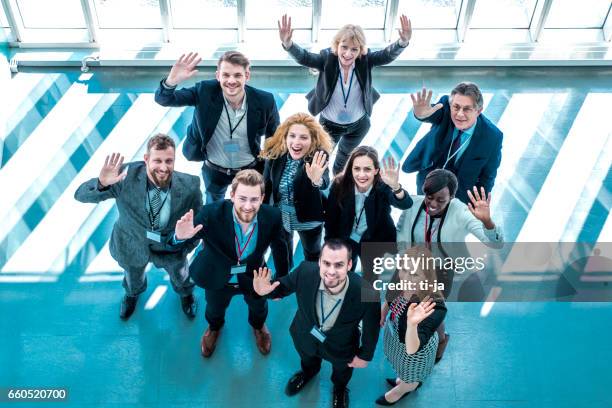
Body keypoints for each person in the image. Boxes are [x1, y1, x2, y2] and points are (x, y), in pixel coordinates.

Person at [74, 134, 201, 320]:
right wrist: (101, 184)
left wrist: (179, 242)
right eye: (157, 160)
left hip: (170, 249)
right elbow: (80, 196)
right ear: (146, 159)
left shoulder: (190, 185)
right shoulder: (123, 176)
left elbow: (196, 226)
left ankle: (186, 295)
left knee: (181, 277)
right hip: (130, 243)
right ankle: (132, 295)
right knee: (133, 279)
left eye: (169, 161)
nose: (164, 167)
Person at [172, 170, 289, 358]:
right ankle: (214, 328)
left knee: (258, 306)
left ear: (262, 198)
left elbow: (280, 249)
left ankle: (258, 327)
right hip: (217, 274)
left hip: (254, 275)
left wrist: (281, 284)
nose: (248, 206)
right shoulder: (211, 214)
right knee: (214, 307)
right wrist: (179, 237)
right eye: (242, 198)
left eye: (254, 199)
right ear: (232, 195)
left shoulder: (273, 216)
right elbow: (181, 243)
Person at [253, 239, 380, 408]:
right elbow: (280, 288)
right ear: (319, 261)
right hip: (304, 335)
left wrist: (365, 356)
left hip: (341, 346)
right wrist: (264, 292)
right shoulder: (304, 271)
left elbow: (372, 329)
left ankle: (340, 388)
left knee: (342, 372)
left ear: (349, 265)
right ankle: (308, 372)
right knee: (307, 360)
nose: (331, 271)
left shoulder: (368, 293)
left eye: (339, 265)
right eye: (326, 263)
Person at [394, 169, 504, 364]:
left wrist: (487, 221)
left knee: (433, 312)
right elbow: (401, 235)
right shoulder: (412, 205)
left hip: (440, 271)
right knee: (410, 307)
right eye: (430, 197)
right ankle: (410, 342)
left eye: (441, 200)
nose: (433, 204)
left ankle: (441, 341)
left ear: (452, 197)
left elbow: (496, 243)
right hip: (412, 267)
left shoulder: (460, 212)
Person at [278, 14, 412, 174]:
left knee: (344, 157)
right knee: (320, 159)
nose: (348, 54)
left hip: (358, 125)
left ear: (360, 50)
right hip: (329, 125)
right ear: (337, 45)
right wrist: (288, 43)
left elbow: (386, 55)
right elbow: (305, 58)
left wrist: (402, 42)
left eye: (354, 49)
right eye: (344, 47)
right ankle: (320, 186)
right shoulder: (327, 58)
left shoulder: (365, 60)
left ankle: (337, 183)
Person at [154, 50, 280, 204]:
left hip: (250, 169)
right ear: (218, 76)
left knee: (254, 208)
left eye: (237, 75)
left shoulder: (264, 100)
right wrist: (171, 82)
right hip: (214, 169)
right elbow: (164, 99)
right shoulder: (204, 92)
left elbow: (275, 139)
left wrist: (272, 172)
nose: (231, 80)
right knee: (213, 208)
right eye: (226, 75)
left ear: (247, 76)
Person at [402, 83, 503, 204]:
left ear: (478, 111)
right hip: (428, 185)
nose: (459, 114)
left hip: (459, 198)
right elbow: (431, 114)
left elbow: (487, 177)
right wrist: (421, 114)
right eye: (456, 107)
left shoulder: (492, 137)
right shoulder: (445, 106)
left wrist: (478, 206)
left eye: (467, 109)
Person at [325, 146, 412, 281]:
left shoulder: (383, 187)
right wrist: (330, 245)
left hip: (373, 240)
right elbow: (331, 219)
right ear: (351, 169)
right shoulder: (339, 185)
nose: (361, 175)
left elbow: (405, 204)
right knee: (343, 274)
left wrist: (396, 187)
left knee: (370, 279)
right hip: (346, 237)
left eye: (367, 169)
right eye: (357, 169)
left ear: (376, 170)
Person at [376, 246, 447, 405]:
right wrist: (383, 312)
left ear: (426, 277)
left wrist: (412, 324)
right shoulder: (400, 277)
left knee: (411, 373)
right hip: (396, 335)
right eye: (404, 270)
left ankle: (405, 388)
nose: (406, 279)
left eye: (414, 274)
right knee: (400, 364)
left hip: (415, 346)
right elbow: (390, 295)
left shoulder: (435, 306)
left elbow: (412, 349)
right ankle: (405, 379)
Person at [261, 112, 334, 266]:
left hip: (308, 219)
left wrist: (316, 180)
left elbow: (324, 181)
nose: (296, 142)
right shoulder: (275, 155)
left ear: (313, 140)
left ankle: (312, 276)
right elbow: (266, 186)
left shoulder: (318, 157)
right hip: (281, 215)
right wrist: (264, 213)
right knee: (282, 250)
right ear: (285, 137)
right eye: (292, 136)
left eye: (303, 137)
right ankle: (284, 278)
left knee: (312, 252)